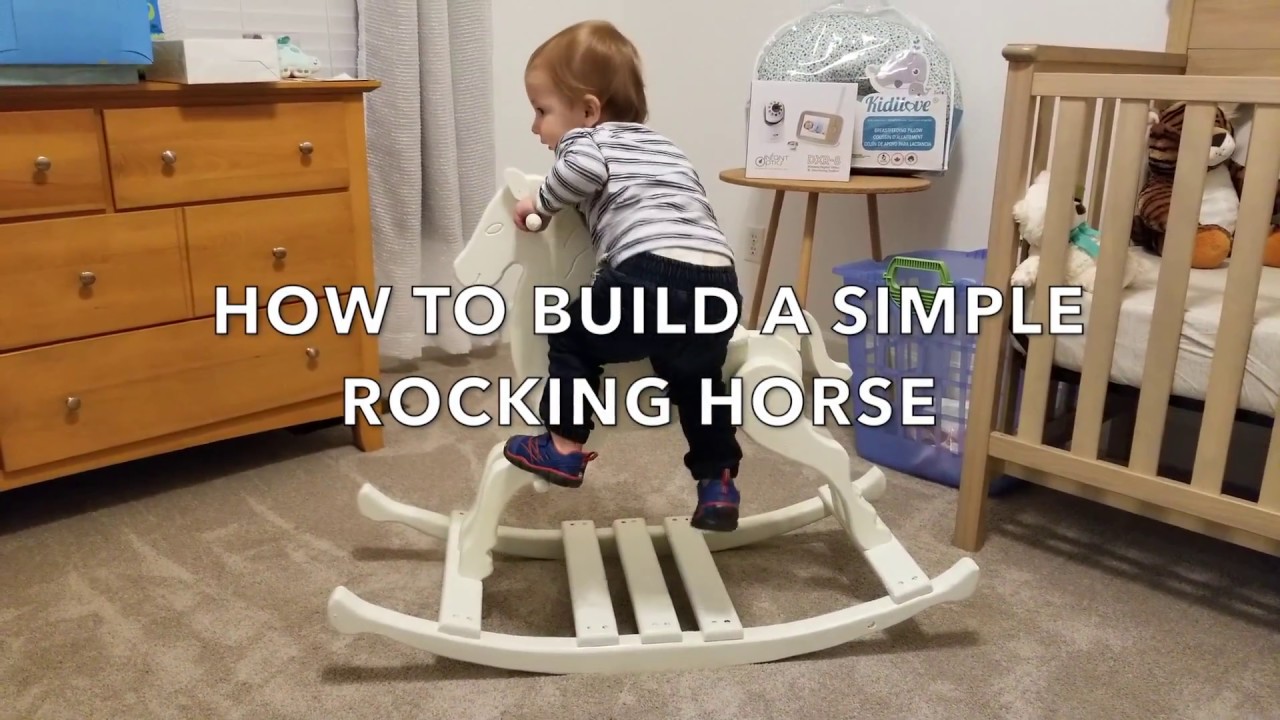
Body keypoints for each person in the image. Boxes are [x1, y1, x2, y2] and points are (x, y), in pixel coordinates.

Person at [501, 20, 745, 532]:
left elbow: (582, 172)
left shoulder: (589, 141)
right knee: (699, 383)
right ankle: (718, 482)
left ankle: (563, 445)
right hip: (718, 280)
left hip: (648, 270)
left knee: (571, 334)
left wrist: (538, 203)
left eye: (542, 111)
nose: (535, 127)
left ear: (589, 110)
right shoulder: (666, 148)